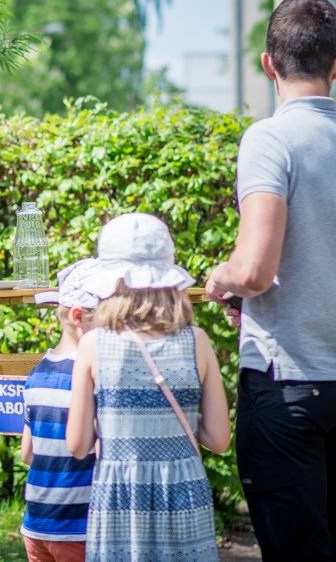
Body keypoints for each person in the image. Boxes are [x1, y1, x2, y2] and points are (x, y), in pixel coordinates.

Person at [204, 0, 336, 561]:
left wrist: (221, 276)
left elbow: (255, 271)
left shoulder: (271, 138)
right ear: (335, 66)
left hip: (290, 383)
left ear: (268, 64)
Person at [66, 213, 231, 561]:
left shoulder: (94, 345)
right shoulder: (197, 341)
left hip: (119, 499)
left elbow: (78, 445)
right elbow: (218, 439)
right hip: (184, 494)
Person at [20, 259, 100, 562]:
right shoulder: (90, 377)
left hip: (37, 524)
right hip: (78, 527)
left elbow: (27, 453)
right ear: (79, 317)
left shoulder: (37, 373)